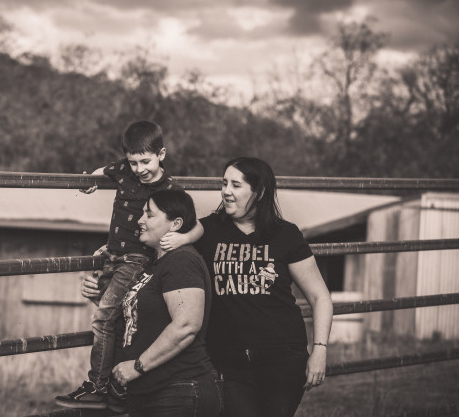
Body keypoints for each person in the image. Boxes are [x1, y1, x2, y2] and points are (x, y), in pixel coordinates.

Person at [162, 157, 333, 417]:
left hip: (284, 358)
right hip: (227, 362)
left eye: (236, 185)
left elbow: (320, 297)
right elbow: (163, 246)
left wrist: (320, 349)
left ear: (259, 192)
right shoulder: (206, 231)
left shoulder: (285, 234)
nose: (226, 191)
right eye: (224, 183)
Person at [55, 120, 181, 410]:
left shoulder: (168, 189)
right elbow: (104, 171)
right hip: (112, 254)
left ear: (161, 154)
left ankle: (97, 386)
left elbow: (188, 222)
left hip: (138, 258)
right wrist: (92, 180)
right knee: (112, 312)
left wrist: (181, 237)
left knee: (103, 317)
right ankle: (117, 387)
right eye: (133, 162)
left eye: (146, 161)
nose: (139, 169)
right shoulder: (123, 170)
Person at [82, 189, 221, 416]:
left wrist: (138, 366)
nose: (140, 220)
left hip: (178, 391)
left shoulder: (182, 260)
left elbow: (186, 325)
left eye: (149, 214)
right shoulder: (153, 265)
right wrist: (100, 299)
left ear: (175, 224)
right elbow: (143, 318)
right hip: (152, 393)